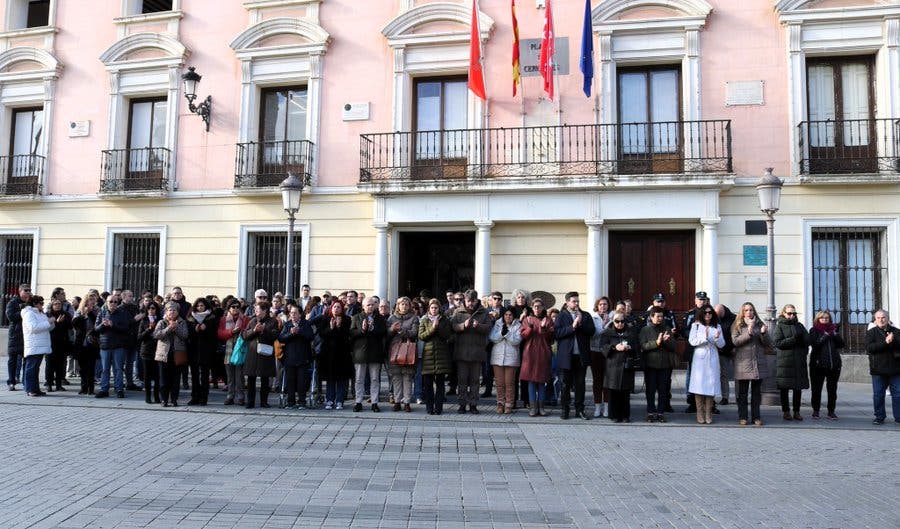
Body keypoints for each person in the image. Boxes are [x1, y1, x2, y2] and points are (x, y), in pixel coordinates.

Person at [555, 291, 596, 420]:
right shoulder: (561, 316)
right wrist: (572, 327)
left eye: (578, 301)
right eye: (574, 301)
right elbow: (557, 334)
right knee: (565, 384)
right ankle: (565, 409)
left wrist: (581, 323)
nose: (576, 303)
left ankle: (580, 410)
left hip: (581, 356)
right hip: (566, 357)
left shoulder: (585, 315)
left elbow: (592, 331)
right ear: (567, 302)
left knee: (580, 384)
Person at [451, 290, 492, 414]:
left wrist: (478, 326)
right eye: (468, 301)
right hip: (462, 352)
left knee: (475, 381)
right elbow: (453, 326)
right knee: (462, 380)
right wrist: (463, 325)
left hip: (477, 353)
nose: (470, 304)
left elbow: (488, 328)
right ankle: (462, 404)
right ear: (465, 300)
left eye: (472, 301)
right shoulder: (458, 311)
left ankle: (473, 404)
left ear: (476, 300)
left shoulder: (483, 312)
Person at [732, 302, 772, 426]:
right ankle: (743, 417)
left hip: (758, 363)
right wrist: (748, 333)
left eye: (751, 310)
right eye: (746, 310)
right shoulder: (737, 325)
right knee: (742, 393)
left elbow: (768, 343)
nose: (749, 312)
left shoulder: (759, 324)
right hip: (743, 363)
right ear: (742, 312)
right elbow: (735, 341)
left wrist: (764, 333)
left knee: (756, 393)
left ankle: (756, 417)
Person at [639, 306, 679, 423]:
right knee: (650, 390)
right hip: (650, 365)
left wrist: (666, 342)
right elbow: (643, 346)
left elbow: (673, 347)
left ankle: (660, 412)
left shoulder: (667, 328)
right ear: (651, 317)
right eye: (657, 316)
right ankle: (651, 412)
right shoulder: (645, 330)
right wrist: (656, 343)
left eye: (661, 316)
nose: (660, 319)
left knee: (663, 390)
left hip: (665, 366)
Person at [772, 304, 810, 421]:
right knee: (785, 388)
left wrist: (804, 349)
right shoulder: (780, 326)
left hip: (798, 361)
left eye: (794, 313)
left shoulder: (799, 326)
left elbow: (807, 340)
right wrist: (793, 339)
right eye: (789, 313)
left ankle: (797, 411)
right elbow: (778, 343)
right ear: (784, 313)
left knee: (797, 388)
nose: (792, 315)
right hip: (785, 362)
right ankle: (786, 411)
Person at [687, 304, 724, 424]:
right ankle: (700, 412)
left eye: (710, 313)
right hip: (700, 357)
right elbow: (692, 341)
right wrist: (705, 338)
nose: (708, 315)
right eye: (705, 313)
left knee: (711, 385)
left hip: (712, 357)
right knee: (699, 385)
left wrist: (717, 339)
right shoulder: (696, 326)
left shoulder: (717, 326)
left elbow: (722, 344)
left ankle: (708, 412)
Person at [863, 310, 900, 425]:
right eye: (878, 318)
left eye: (883, 317)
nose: (881, 320)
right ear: (875, 319)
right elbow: (870, 348)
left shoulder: (896, 331)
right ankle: (879, 417)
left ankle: (898, 417)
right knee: (878, 395)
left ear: (888, 318)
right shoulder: (871, 333)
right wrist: (885, 342)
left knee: (898, 394)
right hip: (878, 369)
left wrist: (893, 341)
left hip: (896, 369)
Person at [350, 296, 386, 412]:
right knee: (359, 379)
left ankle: (374, 402)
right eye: (368, 305)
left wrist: (372, 329)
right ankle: (358, 402)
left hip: (375, 352)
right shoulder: (356, 317)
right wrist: (362, 330)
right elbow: (351, 333)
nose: (371, 306)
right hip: (360, 353)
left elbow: (383, 332)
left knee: (375, 379)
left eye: (372, 304)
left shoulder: (380, 318)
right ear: (363, 306)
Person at [600, 314, 639, 422]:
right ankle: (615, 415)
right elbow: (602, 347)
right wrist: (614, 347)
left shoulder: (631, 332)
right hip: (613, 366)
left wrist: (630, 347)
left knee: (625, 393)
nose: (620, 323)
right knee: (614, 392)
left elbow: (637, 347)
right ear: (613, 321)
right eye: (617, 321)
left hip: (626, 365)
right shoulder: (607, 332)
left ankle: (625, 415)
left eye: (622, 321)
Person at [519, 298, 554, 417]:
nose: (537, 308)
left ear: (543, 307)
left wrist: (544, 328)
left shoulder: (548, 320)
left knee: (541, 382)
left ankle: (542, 407)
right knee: (532, 382)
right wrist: (529, 327)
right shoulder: (527, 319)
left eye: (539, 306)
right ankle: (533, 408)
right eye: (535, 306)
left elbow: (551, 338)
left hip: (543, 353)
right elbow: (524, 336)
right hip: (530, 354)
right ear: (532, 308)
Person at [242, 300, 280, 409]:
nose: (256, 311)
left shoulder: (272, 321)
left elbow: (275, 335)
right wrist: (254, 330)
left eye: (258, 309)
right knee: (251, 379)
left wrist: (264, 330)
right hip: (253, 354)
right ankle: (250, 402)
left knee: (265, 379)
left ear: (264, 310)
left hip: (265, 354)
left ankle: (264, 402)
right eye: (255, 309)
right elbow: (244, 335)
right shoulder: (252, 320)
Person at [808, 310, 844, 420]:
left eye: (827, 318)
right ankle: (816, 410)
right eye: (822, 318)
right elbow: (815, 344)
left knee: (832, 390)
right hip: (818, 365)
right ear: (818, 319)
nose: (824, 320)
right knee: (816, 389)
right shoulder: (814, 330)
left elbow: (842, 345)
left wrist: (835, 334)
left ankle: (831, 411)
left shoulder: (833, 330)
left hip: (833, 364)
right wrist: (825, 335)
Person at [419, 298, 452, 415]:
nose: (434, 310)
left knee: (440, 385)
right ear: (429, 308)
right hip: (428, 356)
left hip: (441, 356)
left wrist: (438, 327)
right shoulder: (424, 320)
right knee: (428, 386)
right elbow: (422, 336)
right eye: (432, 308)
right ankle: (429, 408)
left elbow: (447, 335)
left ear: (439, 309)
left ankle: (438, 408)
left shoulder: (445, 320)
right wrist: (432, 328)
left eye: (436, 308)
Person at [95, 294, 131, 399]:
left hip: (118, 346)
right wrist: (103, 324)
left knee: (118, 369)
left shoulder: (122, 313)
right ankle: (104, 389)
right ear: (106, 302)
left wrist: (113, 325)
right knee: (105, 369)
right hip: (105, 346)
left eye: (115, 302)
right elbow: (96, 329)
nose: (113, 304)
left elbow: (125, 328)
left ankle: (119, 389)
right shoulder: (102, 313)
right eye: (111, 301)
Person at [318, 300, 353, 410]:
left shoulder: (347, 320)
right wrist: (331, 328)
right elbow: (322, 333)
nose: (336, 309)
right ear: (331, 308)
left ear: (342, 309)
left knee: (342, 379)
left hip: (342, 353)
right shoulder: (325, 319)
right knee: (330, 378)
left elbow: (347, 335)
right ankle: (329, 400)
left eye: (338, 307)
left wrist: (338, 327)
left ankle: (339, 401)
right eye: (334, 307)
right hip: (329, 354)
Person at [153, 302, 189, 407]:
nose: (172, 312)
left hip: (177, 354)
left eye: (174, 310)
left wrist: (176, 327)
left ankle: (174, 399)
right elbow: (156, 335)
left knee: (176, 379)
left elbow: (185, 335)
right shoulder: (161, 322)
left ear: (177, 312)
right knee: (164, 379)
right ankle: (164, 399)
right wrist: (169, 328)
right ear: (166, 312)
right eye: (170, 310)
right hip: (163, 355)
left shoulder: (182, 322)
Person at [279, 304, 315, 409]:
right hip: (290, 357)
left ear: (300, 314)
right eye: (291, 313)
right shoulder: (287, 324)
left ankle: (302, 402)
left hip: (303, 357)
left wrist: (299, 332)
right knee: (290, 381)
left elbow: (310, 336)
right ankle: (291, 402)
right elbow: (281, 338)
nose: (293, 315)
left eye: (295, 313)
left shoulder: (305, 324)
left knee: (301, 381)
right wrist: (290, 334)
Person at [387, 297, 418, 412]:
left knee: (407, 378)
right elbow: (386, 335)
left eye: (406, 304)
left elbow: (414, 333)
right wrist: (392, 329)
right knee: (396, 378)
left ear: (409, 306)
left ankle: (407, 402)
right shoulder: (392, 318)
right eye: (401, 304)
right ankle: (397, 401)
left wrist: (401, 331)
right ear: (397, 306)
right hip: (395, 351)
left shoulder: (414, 318)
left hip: (408, 351)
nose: (404, 306)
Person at [489, 307, 522, 414]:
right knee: (499, 383)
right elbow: (492, 337)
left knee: (509, 383)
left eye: (510, 315)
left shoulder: (518, 325)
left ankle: (509, 404)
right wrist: (501, 334)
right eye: (506, 314)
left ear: (514, 316)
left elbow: (517, 341)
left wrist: (507, 334)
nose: (508, 316)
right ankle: (500, 403)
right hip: (497, 357)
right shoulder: (498, 324)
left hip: (511, 358)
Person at [186, 297, 218, 406]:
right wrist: (195, 329)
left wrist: (206, 329)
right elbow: (188, 334)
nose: (200, 308)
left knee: (204, 375)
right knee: (194, 375)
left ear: (206, 307)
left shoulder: (211, 318)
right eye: (198, 306)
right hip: (193, 350)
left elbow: (214, 336)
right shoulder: (190, 317)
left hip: (206, 350)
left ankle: (204, 398)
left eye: (202, 306)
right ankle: (194, 397)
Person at [682, 291, 709, 414]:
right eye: (699, 299)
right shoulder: (690, 314)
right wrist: (695, 337)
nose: (702, 302)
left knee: (708, 375)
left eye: (703, 299)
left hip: (707, 348)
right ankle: (691, 400)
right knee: (692, 374)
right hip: (693, 348)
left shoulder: (710, 313)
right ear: (695, 300)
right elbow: (684, 330)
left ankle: (709, 403)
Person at [22, 296, 53, 397]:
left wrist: (52, 322)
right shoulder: (29, 313)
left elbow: (47, 327)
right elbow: (33, 328)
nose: (42, 305)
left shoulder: (40, 314)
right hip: (33, 345)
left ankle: (36, 389)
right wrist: (48, 322)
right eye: (41, 303)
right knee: (31, 369)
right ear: (35, 304)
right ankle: (30, 389)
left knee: (36, 369)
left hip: (40, 345)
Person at [218, 301, 248, 406]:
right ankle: (230, 396)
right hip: (229, 349)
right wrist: (231, 332)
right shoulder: (223, 319)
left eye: (237, 307)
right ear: (228, 308)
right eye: (233, 307)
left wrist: (240, 331)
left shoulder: (244, 319)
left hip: (239, 349)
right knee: (230, 377)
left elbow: (246, 332)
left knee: (239, 376)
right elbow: (220, 334)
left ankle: (240, 397)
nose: (235, 309)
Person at [5, 283, 31, 391]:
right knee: (13, 360)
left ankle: (26, 382)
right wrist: (23, 311)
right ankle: (12, 381)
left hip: (28, 335)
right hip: (15, 335)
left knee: (27, 359)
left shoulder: (31, 302)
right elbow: (11, 316)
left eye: (29, 290)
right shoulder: (13, 302)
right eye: (26, 290)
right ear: (20, 291)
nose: (28, 292)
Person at [73, 295, 100, 395]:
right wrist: (84, 315)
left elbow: (97, 325)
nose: (91, 303)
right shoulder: (79, 312)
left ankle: (90, 388)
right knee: (82, 367)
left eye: (93, 301)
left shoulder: (97, 311)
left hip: (92, 343)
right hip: (81, 343)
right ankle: (83, 387)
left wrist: (90, 314)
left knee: (91, 367)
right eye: (89, 301)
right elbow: (75, 325)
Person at [589, 297, 611, 418]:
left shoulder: (613, 319)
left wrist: (607, 324)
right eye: (600, 304)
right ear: (597, 306)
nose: (603, 306)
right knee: (597, 381)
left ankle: (606, 407)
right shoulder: (593, 318)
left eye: (605, 304)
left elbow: (612, 335)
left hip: (607, 353)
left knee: (607, 381)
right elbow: (593, 334)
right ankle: (597, 407)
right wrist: (603, 326)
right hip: (595, 352)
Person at [136, 301, 161, 404]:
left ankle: (156, 396)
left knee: (157, 376)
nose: (151, 310)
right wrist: (149, 329)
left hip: (158, 351)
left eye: (153, 308)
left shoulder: (161, 320)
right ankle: (148, 396)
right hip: (146, 351)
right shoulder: (144, 321)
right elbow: (139, 337)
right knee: (147, 376)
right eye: (149, 308)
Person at [45, 298, 72, 392]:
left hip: (62, 343)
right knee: (49, 365)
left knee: (60, 365)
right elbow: (48, 328)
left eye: (59, 304)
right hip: (50, 343)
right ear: (52, 306)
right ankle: (49, 384)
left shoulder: (66, 314)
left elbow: (70, 326)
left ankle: (59, 385)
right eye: (55, 304)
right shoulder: (48, 315)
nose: (57, 305)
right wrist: (56, 322)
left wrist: (63, 322)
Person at [715, 304, 736, 405]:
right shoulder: (716, 319)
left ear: (724, 311)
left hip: (735, 350)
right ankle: (725, 397)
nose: (718, 316)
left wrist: (734, 347)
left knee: (738, 375)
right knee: (724, 375)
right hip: (723, 351)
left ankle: (739, 397)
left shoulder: (734, 318)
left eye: (720, 314)